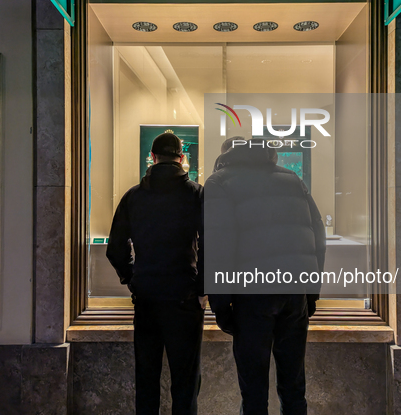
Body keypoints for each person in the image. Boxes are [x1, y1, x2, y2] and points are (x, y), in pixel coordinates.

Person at [205, 138, 326, 415]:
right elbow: (318, 237)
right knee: (294, 388)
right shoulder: (293, 179)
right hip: (294, 294)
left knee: (254, 393)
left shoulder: (220, 182)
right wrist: (311, 292)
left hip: (252, 297)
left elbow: (218, 247)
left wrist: (221, 307)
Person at [106, 132, 206, 415]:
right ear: (182, 159)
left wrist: (132, 279)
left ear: (151, 157)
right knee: (185, 383)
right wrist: (202, 288)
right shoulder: (196, 195)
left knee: (147, 379)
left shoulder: (133, 197)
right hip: (184, 298)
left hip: (147, 297)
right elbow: (212, 244)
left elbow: (115, 249)